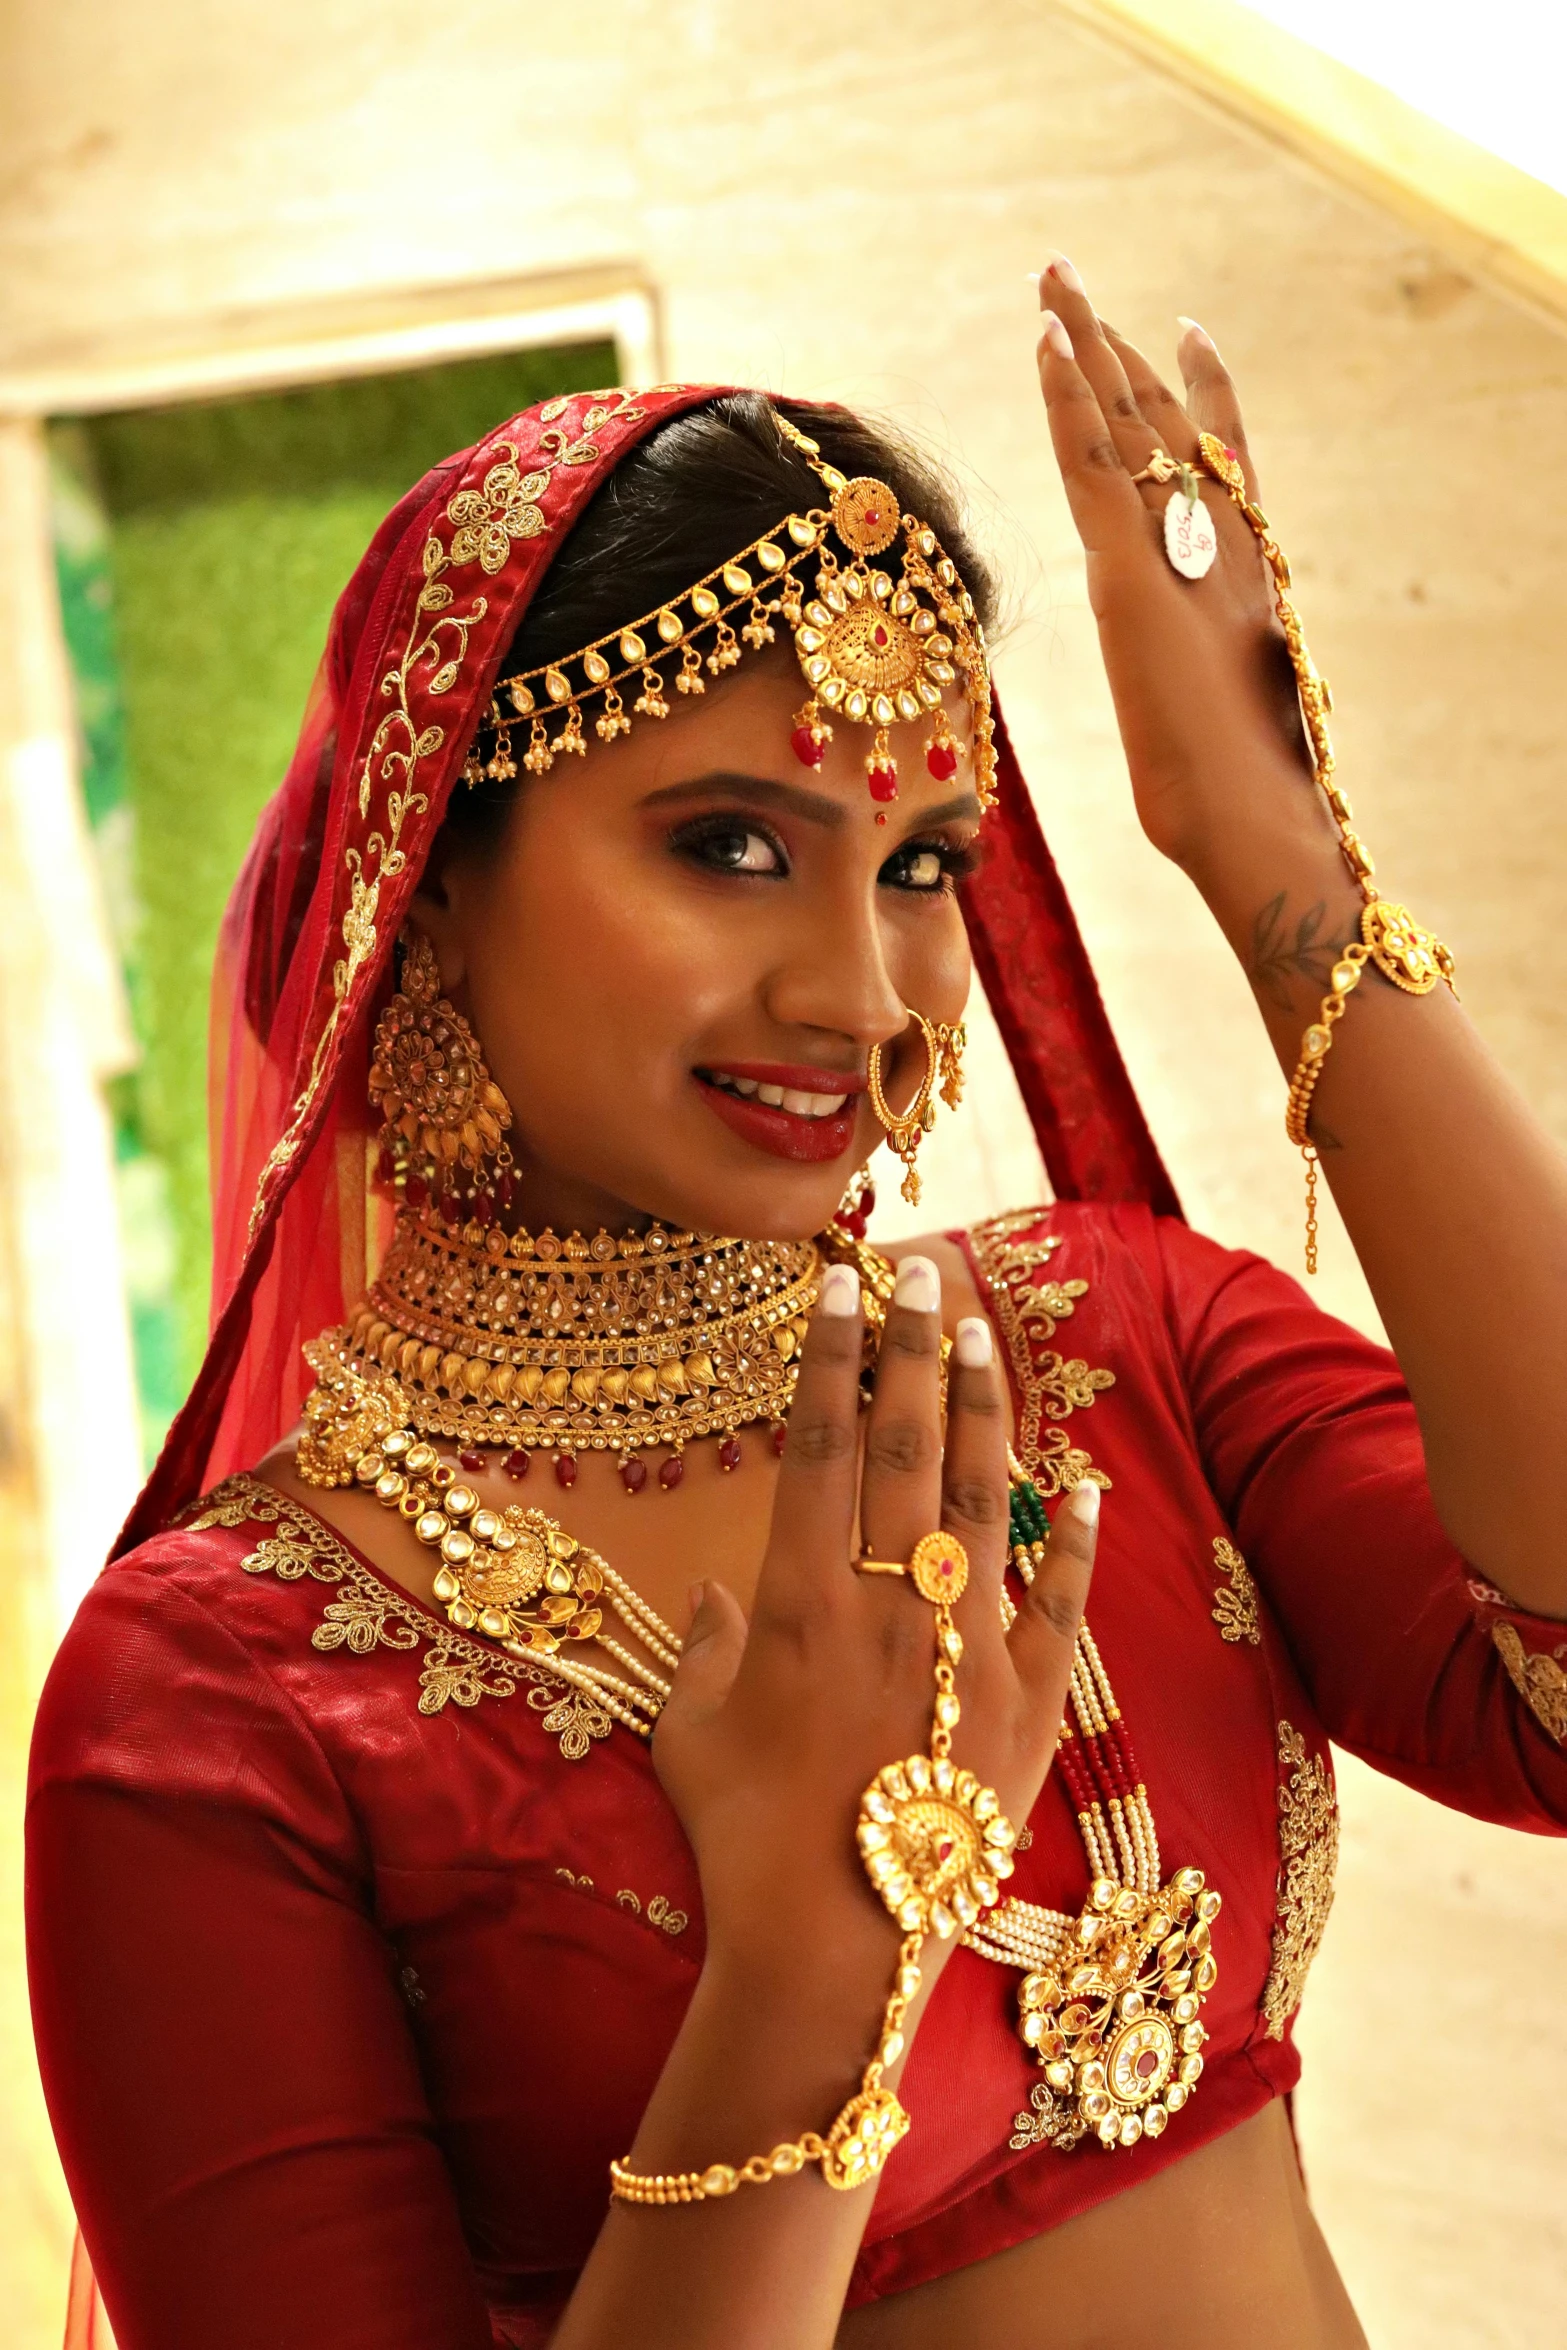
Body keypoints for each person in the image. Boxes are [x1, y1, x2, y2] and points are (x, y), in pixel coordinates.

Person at [25, 256, 1567, 2350]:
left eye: (925, 859)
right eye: (731, 842)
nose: (861, 991)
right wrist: (811, 1969)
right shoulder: (224, 1699)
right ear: (433, 879)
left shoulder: (1120, 1344)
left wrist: (1270, 848)